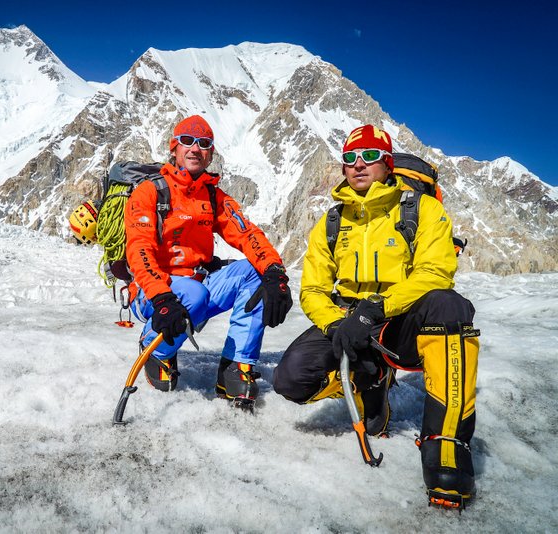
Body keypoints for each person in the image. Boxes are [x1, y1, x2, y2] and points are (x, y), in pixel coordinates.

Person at [272, 124, 480, 508]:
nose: (358, 165)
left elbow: (434, 273)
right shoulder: (332, 221)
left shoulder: (421, 209)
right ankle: (370, 381)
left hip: (400, 319)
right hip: (348, 317)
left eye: (369, 156)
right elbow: (314, 289)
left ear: (387, 164)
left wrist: (377, 309)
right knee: (290, 380)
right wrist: (337, 325)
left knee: (450, 306)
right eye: (350, 158)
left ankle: (446, 445)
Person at [125, 114, 292, 408]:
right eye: (186, 141)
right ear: (173, 148)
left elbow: (247, 234)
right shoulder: (150, 191)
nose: (194, 149)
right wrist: (162, 297)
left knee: (255, 274)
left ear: (211, 153)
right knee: (193, 294)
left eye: (203, 144)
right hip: (153, 292)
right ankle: (156, 349)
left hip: (196, 288)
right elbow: (139, 249)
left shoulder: (213, 196)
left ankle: (234, 365)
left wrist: (275, 272)